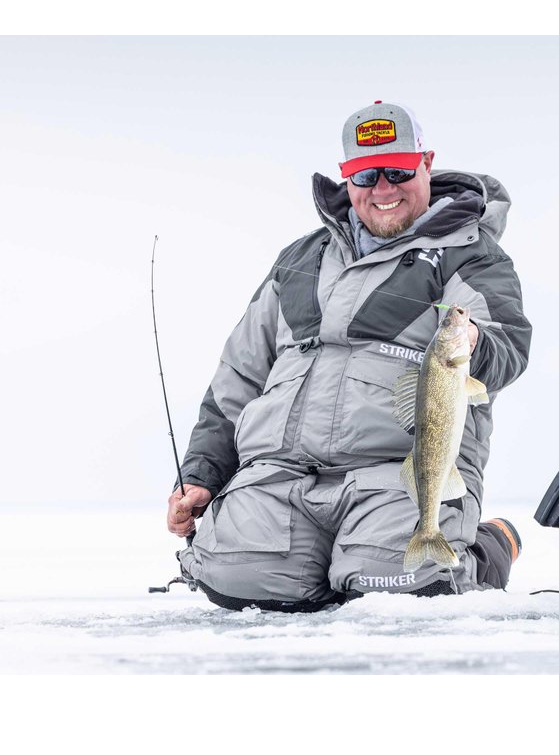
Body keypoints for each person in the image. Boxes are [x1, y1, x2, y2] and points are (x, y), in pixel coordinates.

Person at [166, 101, 532, 611]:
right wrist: (202, 474)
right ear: (346, 177)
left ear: (426, 164)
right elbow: (238, 375)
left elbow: (508, 345)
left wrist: (475, 342)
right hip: (281, 474)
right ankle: (326, 565)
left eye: (398, 171)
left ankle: (487, 547)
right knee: (236, 582)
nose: (382, 189)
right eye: (365, 176)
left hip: (399, 471)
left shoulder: (469, 253)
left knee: (401, 587)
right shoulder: (301, 258)